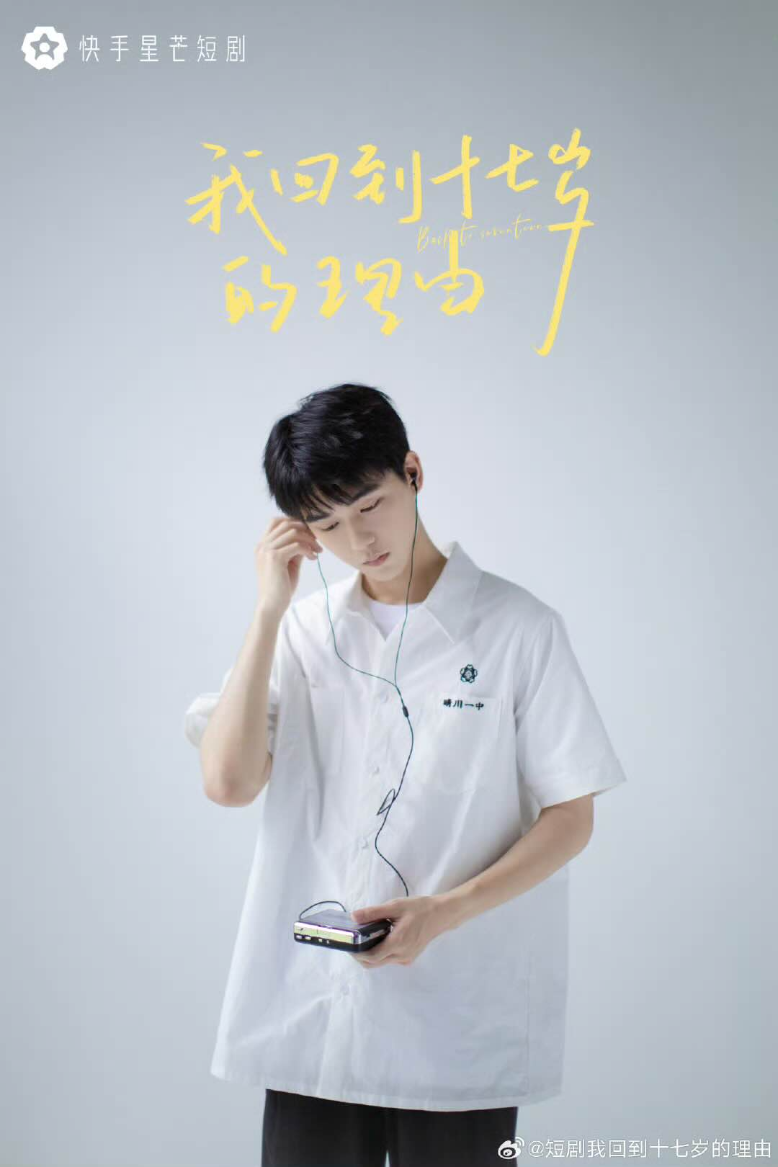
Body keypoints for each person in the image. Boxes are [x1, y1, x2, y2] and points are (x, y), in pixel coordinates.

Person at [183, 382, 628, 1167]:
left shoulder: (519, 629)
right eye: (327, 523)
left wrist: (442, 912)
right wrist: (267, 611)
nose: (358, 538)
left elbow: (571, 817)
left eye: (369, 505)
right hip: (314, 1015)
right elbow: (228, 781)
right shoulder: (303, 631)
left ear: (413, 473)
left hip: (456, 1022)